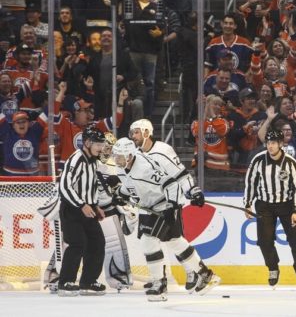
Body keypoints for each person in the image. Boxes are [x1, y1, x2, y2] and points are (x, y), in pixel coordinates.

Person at [111, 137, 220, 302]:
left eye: (120, 156)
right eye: (115, 155)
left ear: (130, 155)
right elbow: (131, 184)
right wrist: (122, 194)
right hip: (151, 207)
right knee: (175, 242)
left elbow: (171, 184)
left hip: (164, 205)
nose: (116, 159)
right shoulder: (121, 168)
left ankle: (159, 284)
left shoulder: (145, 168)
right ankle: (205, 274)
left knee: (148, 241)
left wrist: (171, 206)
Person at [243, 129, 296, 290]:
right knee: (264, 240)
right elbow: (251, 182)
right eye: (268, 143)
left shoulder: (290, 162)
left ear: (281, 144)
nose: (270, 146)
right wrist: (248, 203)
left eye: (273, 143)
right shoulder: (258, 160)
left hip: (287, 205)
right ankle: (273, 268)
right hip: (264, 205)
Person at [57, 126, 107, 297]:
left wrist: (95, 205)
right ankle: (65, 282)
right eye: (98, 144)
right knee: (77, 243)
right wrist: (81, 205)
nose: (101, 147)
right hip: (72, 209)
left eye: (102, 144)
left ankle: (88, 281)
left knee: (97, 242)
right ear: (87, 143)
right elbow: (64, 186)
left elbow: (90, 186)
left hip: (87, 208)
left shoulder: (93, 160)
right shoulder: (76, 159)